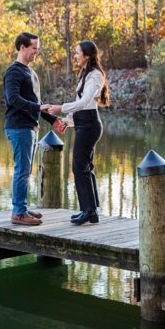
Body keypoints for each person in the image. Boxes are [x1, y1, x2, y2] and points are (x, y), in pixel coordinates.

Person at [41, 40, 110, 225]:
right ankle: (91, 211)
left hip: (89, 125)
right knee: (85, 166)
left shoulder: (95, 76)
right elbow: (80, 104)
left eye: (77, 53)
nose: (75, 56)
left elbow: (85, 101)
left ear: (87, 55)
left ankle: (87, 210)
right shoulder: (86, 74)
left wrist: (59, 108)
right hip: (83, 123)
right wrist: (66, 121)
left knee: (79, 167)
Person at [3, 32, 66, 226]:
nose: (36, 53)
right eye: (33, 49)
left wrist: (53, 120)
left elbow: (36, 104)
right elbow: (13, 99)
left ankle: (21, 207)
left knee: (25, 170)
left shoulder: (30, 72)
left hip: (31, 127)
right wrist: (38, 108)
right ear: (22, 47)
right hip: (18, 127)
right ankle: (18, 213)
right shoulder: (14, 72)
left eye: (38, 50)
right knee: (21, 170)